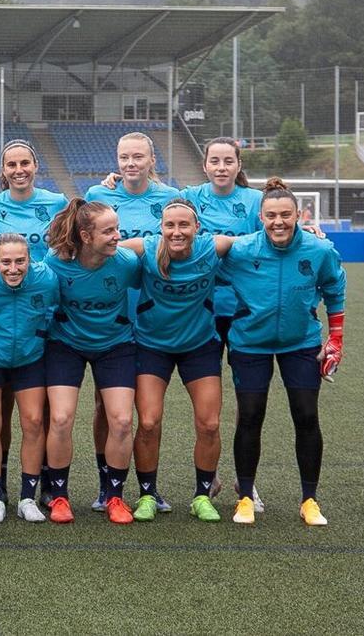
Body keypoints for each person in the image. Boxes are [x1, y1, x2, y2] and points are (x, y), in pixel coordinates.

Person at [221, 179, 346, 526]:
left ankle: (309, 500)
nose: (279, 222)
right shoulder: (241, 250)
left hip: (301, 343)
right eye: (272, 215)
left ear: (298, 215)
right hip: (249, 343)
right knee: (250, 416)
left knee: (306, 416)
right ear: (261, 217)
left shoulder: (319, 250)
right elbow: (204, 267)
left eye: (286, 215)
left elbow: (335, 288)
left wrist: (336, 338)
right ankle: (245, 497)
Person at [118, 200, 235, 522]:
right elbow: (104, 247)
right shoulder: (146, 248)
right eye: (170, 225)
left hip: (200, 346)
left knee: (209, 423)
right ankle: (147, 494)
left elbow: (256, 242)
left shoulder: (213, 247)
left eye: (184, 225)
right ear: (161, 228)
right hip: (152, 346)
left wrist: (307, 232)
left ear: (197, 227)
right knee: (148, 421)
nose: (177, 231)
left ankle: (202, 495)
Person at [85, 132, 179, 513]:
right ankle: (106, 485)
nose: (130, 163)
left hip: (155, 315)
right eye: (124, 157)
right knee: (105, 405)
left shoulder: (171, 197)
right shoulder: (99, 194)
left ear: (152, 159)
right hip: (111, 316)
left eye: (138, 156)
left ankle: (147, 488)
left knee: (148, 412)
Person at [0, 139, 68, 500]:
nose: (19, 170)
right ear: (3, 170)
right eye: (11, 165)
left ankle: (44, 484)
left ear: (35, 165)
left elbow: (67, 248)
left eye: (25, 163)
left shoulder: (56, 203)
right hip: (0, 317)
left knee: (38, 412)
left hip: (41, 316)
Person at [42, 198, 141, 525]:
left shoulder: (126, 262)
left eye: (117, 229)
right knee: (60, 418)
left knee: (122, 421)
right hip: (65, 345)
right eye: (109, 231)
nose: (118, 236)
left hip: (115, 345)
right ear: (85, 237)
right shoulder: (55, 263)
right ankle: (59, 496)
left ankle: (114, 496)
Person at [0, 233, 58, 524]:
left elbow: (54, 309)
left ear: (30, 260)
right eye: (6, 262)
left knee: (33, 421)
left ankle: (27, 498)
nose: (13, 269)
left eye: (20, 261)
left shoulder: (46, 279)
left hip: (29, 357)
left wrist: (37, 336)